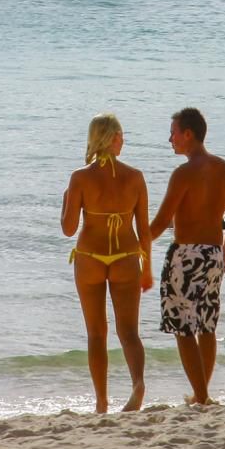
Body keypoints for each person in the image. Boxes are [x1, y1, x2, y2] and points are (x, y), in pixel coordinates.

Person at [61, 112, 153, 414]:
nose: (123, 140)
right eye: (121, 135)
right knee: (129, 332)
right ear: (111, 138)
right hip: (126, 258)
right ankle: (137, 384)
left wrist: (67, 198)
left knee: (96, 334)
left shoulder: (80, 177)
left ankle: (101, 402)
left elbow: (68, 228)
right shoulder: (135, 177)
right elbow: (143, 230)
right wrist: (148, 268)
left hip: (90, 258)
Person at [150, 107, 225, 406]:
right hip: (213, 254)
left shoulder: (184, 173)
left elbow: (162, 221)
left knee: (183, 328)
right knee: (206, 325)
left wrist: (134, 243)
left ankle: (201, 396)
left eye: (173, 132)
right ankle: (202, 394)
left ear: (188, 134)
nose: (170, 139)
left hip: (185, 256)